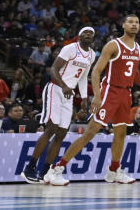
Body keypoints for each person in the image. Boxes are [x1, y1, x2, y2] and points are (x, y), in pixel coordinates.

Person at [49, 15, 140, 186]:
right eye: (130, 22)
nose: (134, 24)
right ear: (123, 25)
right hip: (110, 91)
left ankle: (114, 170)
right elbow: (96, 71)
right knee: (90, 133)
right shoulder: (113, 45)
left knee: (121, 134)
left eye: (137, 22)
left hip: (126, 94)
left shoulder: (138, 48)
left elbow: (134, 73)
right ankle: (56, 169)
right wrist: (97, 95)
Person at [21, 27, 96, 184]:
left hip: (68, 94)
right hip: (55, 88)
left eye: (91, 33)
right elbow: (53, 69)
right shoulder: (70, 48)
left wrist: (84, 97)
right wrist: (63, 86)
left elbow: (83, 77)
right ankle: (29, 168)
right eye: (85, 32)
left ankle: (45, 172)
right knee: (51, 128)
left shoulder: (91, 55)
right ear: (79, 35)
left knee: (62, 133)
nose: (88, 35)